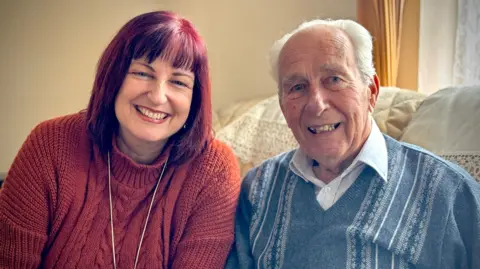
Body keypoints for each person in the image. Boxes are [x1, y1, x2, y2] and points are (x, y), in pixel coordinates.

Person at [226, 19, 480, 269]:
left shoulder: (450, 193)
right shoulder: (258, 188)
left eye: (334, 79)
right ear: (283, 107)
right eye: (297, 87)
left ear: (371, 92)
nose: (316, 103)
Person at [0, 11, 241, 268]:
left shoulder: (214, 170)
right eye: (142, 74)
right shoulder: (50, 143)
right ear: (113, 77)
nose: (158, 97)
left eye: (178, 82)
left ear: (196, 99)